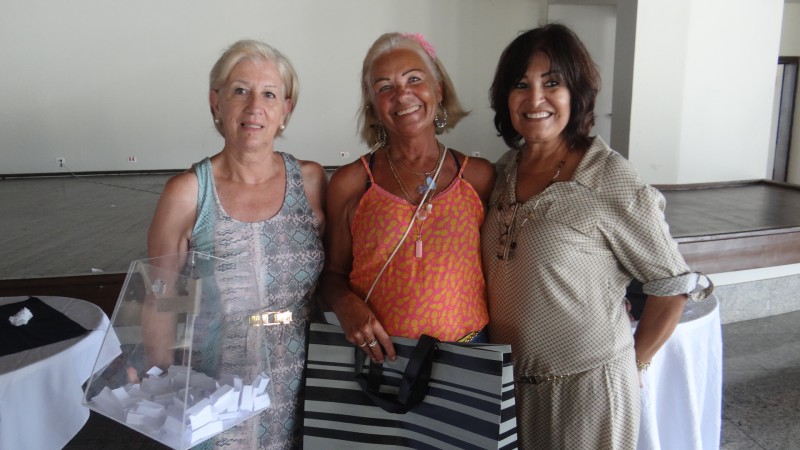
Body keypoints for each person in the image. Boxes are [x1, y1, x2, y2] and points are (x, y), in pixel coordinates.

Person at [482, 24, 712, 449]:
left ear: (577, 93)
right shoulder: (502, 172)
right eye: (521, 84)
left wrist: (636, 363)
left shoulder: (608, 176)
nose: (535, 99)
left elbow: (672, 285)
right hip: (507, 390)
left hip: (586, 393)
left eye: (552, 83)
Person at [145, 39, 326, 449]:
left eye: (269, 94)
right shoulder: (188, 193)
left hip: (302, 379)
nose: (254, 107)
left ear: (286, 109)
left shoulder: (312, 181)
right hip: (217, 390)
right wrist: (163, 386)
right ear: (216, 102)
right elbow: (161, 298)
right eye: (240, 90)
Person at [321, 32, 496, 362]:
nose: (402, 94)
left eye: (414, 79)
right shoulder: (351, 183)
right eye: (384, 86)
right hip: (381, 359)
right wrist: (345, 305)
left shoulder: (478, 178)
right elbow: (332, 276)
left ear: (438, 89)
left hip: (468, 355)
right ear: (373, 105)